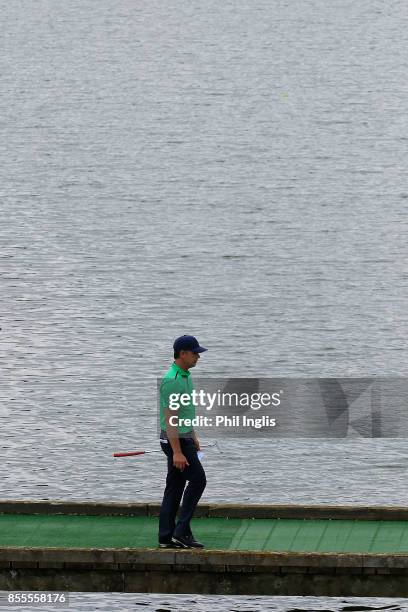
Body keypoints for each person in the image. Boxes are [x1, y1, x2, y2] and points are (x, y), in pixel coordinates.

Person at [158, 335, 208, 549]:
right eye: (195, 352)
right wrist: (177, 452)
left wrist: (193, 435)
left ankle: (166, 536)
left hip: (183, 438)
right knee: (198, 480)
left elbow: (184, 411)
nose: (198, 356)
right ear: (183, 353)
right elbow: (170, 420)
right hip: (175, 440)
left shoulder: (185, 376)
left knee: (175, 486)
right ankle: (181, 531)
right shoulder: (173, 380)